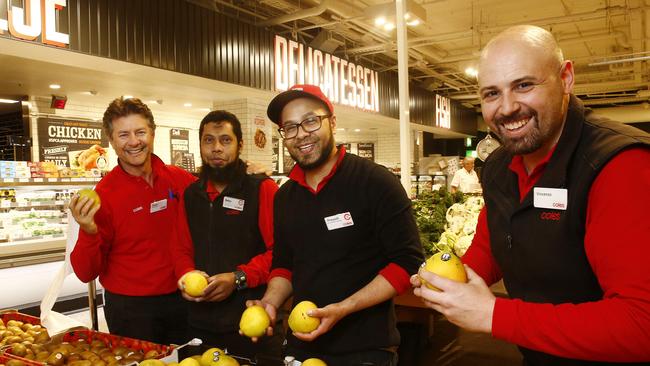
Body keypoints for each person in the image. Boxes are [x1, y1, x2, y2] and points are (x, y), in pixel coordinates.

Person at [411, 25, 650, 365]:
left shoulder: (618, 166)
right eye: (491, 94)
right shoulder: (498, 165)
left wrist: (495, 315)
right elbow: (494, 243)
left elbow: (641, 325)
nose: (507, 108)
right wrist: (450, 281)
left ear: (566, 78)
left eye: (523, 85)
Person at [248, 84, 424, 365]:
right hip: (302, 343)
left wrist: (344, 308)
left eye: (310, 121)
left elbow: (408, 262)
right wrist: (270, 302)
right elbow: (284, 264)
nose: (301, 133)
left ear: (332, 122)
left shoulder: (375, 182)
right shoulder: (284, 197)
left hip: (365, 348)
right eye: (290, 127)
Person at [70, 97, 196, 344]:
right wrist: (88, 230)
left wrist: (247, 176)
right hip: (131, 311)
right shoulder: (103, 195)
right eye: (124, 135)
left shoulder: (179, 179)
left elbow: (215, 198)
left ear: (152, 133)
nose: (134, 141)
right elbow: (85, 272)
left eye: (140, 132)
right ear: (112, 141)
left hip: (184, 300)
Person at [173, 110, 282, 361]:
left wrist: (238, 278)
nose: (216, 148)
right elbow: (180, 248)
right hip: (199, 322)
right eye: (209, 140)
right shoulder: (191, 194)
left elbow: (280, 253)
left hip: (249, 321)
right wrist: (185, 276)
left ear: (240, 145)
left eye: (225, 140)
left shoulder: (261, 188)